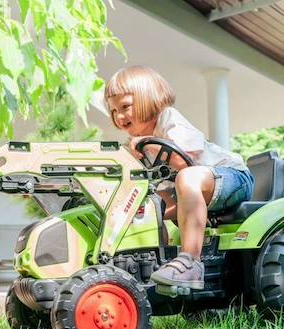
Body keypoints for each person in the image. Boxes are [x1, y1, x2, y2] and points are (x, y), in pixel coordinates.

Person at [105, 66, 254, 290]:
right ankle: (159, 263)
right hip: (192, 190)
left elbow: (185, 163)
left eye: (125, 106)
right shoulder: (137, 144)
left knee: (186, 177)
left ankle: (190, 262)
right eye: (114, 110)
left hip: (230, 178)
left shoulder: (169, 120)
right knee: (144, 205)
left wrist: (148, 143)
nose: (120, 116)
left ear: (148, 98)